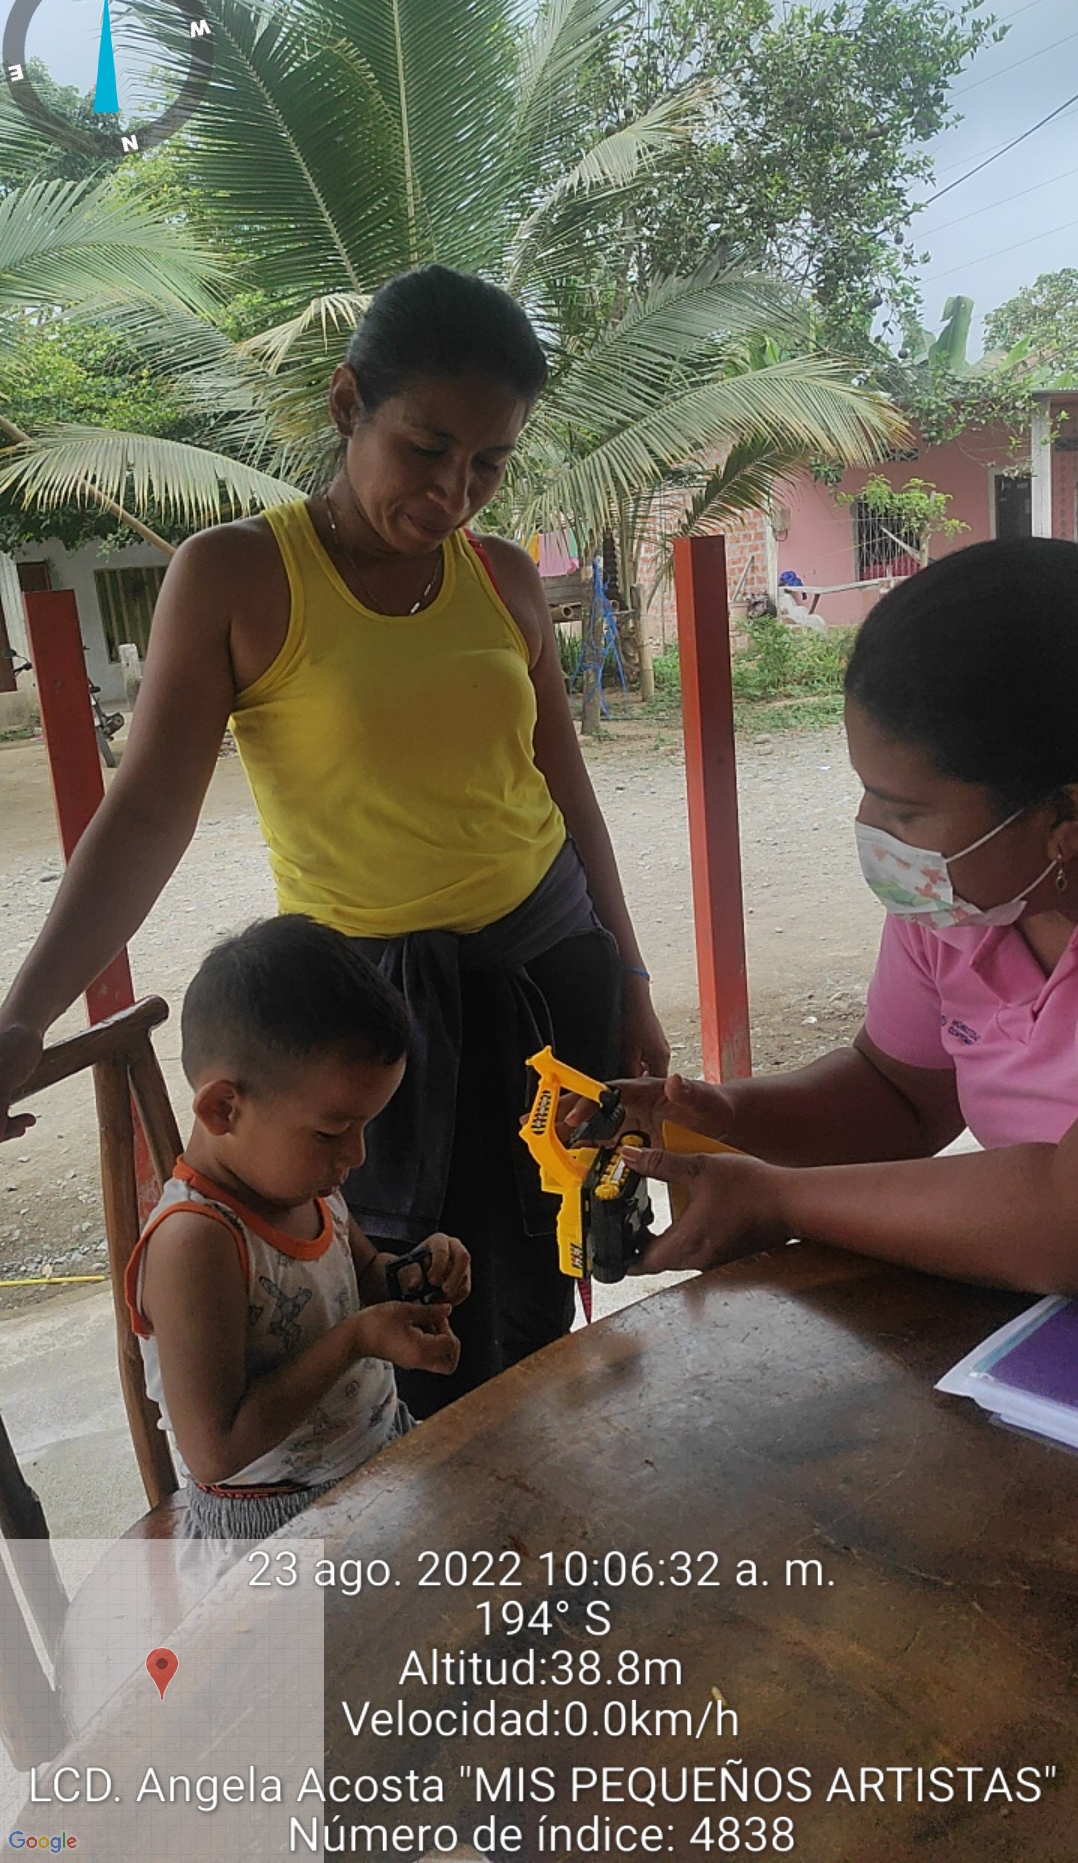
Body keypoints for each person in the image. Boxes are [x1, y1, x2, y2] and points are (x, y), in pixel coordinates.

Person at [0, 264, 668, 1413]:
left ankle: (544, 1504)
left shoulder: (503, 579)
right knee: (421, 1307)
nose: (453, 490)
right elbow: (148, 813)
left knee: (546, 1275)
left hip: (551, 972)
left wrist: (634, 982)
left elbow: (567, 801)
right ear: (348, 402)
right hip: (379, 1020)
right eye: (427, 447)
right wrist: (24, 1014)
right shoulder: (241, 576)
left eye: (489, 462)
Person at [569, 539, 1078, 1296]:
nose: (871, 828)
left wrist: (774, 1199)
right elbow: (899, 1099)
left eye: (905, 812)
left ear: (1065, 818)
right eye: (868, 791)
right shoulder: (957, 909)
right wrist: (724, 1114)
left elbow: (1067, 1222)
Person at [126, 915, 469, 1541]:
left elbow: (363, 1278)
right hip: (276, 1522)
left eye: (365, 1126)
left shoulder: (308, 1184)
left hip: (380, 1453)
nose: (357, 1155)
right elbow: (216, 1449)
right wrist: (356, 1340)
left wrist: (417, 1272)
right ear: (223, 1108)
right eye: (333, 1131)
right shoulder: (196, 1242)